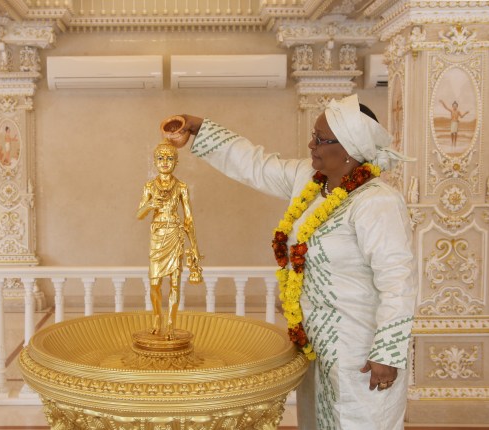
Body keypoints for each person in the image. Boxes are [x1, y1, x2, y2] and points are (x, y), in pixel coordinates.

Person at [172, 93, 416, 430]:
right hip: (314, 343)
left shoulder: (377, 201)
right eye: (314, 135)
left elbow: (398, 280)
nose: (311, 144)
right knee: (316, 421)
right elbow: (256, 165)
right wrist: (200, 128)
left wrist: (387, 353)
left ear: (348, 148)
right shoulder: (308, 180)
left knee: (360, 422)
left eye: (321, 139)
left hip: (360, 349)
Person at [137, 141, 202, 340]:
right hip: (157, 237)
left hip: (175, 234)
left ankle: (171, 323)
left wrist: (195, 247)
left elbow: (189, 219)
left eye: (169, 158)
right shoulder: (149, 186)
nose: (165, 162)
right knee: (155, 283)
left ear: (176, 162)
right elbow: (139, 214)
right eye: (161, 158)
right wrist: (150, 205)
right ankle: (157, 317)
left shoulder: (181, 187)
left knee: (174, 283)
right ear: (155, 161)